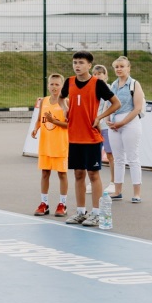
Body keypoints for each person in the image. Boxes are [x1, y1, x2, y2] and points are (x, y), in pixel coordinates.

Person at [61, 52, 119, 227]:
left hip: (91, 137)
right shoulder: (69, 82)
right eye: (75, 62)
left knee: (93, 174)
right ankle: (80, 212)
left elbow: (116, 103)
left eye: (81, 63)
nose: (77, 65)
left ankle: (96, 213)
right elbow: (61, 98)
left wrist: (100, 117)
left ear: (89, 66)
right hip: (74, 136)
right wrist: (65, 108)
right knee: (78, 174)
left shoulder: (97, 83)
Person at [106, 56, 146, 203]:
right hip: (114, 124)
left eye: (122, 66)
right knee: (118, 159)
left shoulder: (134, 84)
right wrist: (107, 120)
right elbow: (107, 104)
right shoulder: (112, 86)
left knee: (133, 158)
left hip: (130, 123)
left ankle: (137, 193)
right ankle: (117, 191)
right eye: (116, 67)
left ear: (128, 68)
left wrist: (122, 122)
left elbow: (137, 108)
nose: (119, 69)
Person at [30, 73, 69, 218]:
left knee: (62, 174)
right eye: (52, 84)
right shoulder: (44, 101)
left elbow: (69, 125)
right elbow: (40, 119)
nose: (54, 87)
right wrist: (36, 128)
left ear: (62, 86)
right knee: (45, 173)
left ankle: (62, 203)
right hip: (45, 144)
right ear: (48, 86)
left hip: (60, 145)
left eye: (57, 84)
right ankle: (44, 203)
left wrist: (55, 121)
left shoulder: (66, 102)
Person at [91, 64, 114, 195]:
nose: (98, 75)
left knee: (110, 154)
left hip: (105, 126)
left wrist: (102, 119)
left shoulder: (109, 89)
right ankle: (93, 181)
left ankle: (113, 182)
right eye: (95, 73)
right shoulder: (90, 89)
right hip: (93, 126)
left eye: (100, 73)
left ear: (105, 75)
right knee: (94, 155)